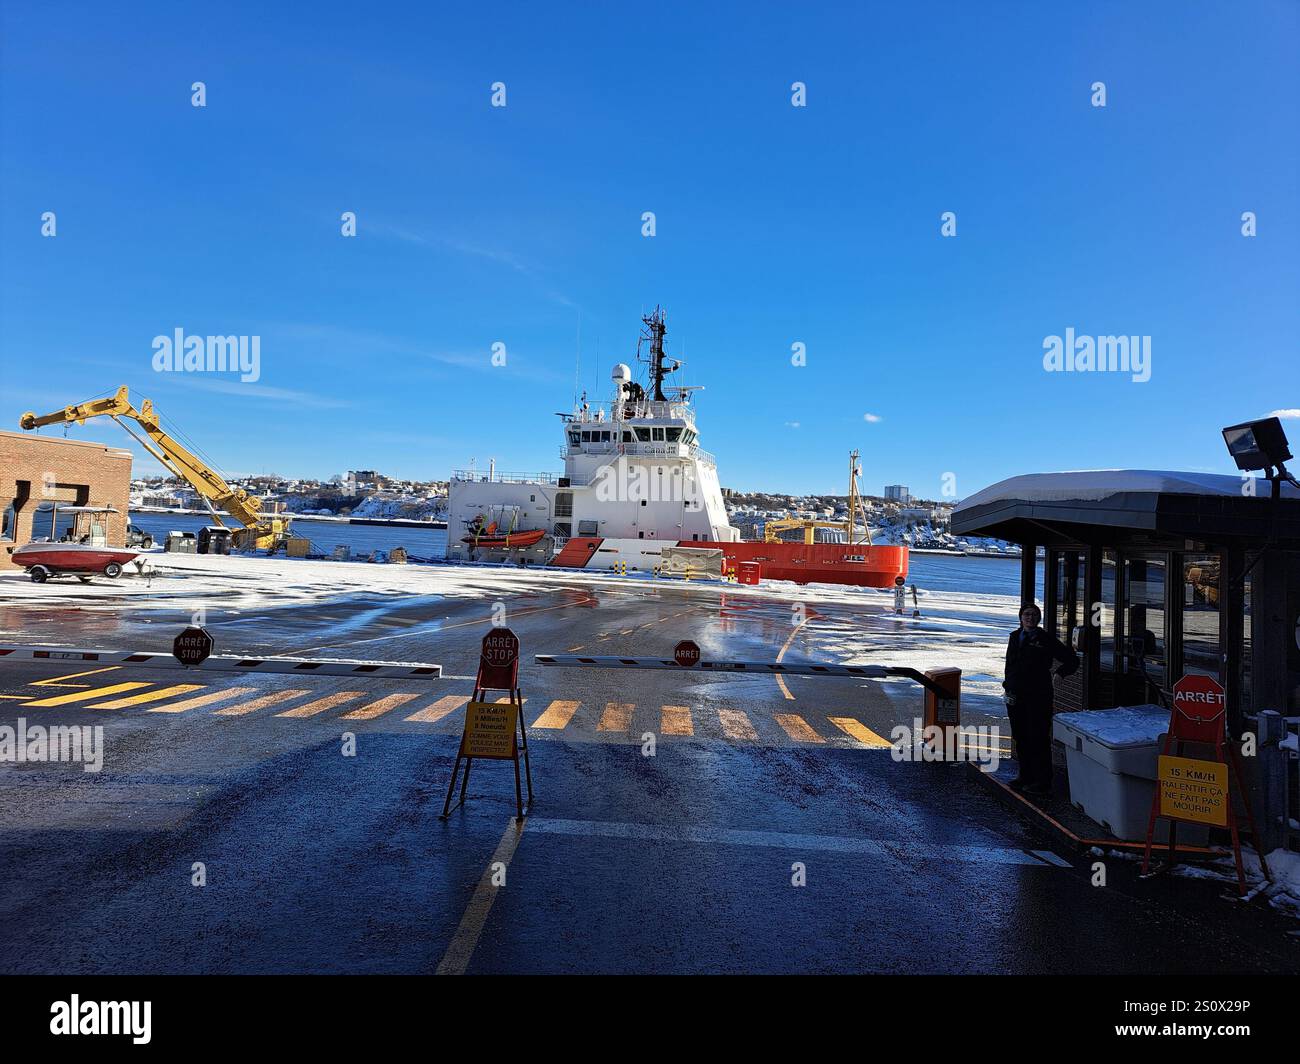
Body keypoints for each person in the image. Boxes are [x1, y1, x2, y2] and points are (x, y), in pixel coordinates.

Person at [1002, 603, 1077, 795]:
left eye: (1034, 615)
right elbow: (1010, 665)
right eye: (1027, 614)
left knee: (1038, 737)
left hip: (1038, 696)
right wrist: (1007, 687)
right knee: (1021, 737)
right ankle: (1025, 776)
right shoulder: (1014, 636)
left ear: (1039, 618)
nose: (1030, 618)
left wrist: (1060, 674)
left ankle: (1042, 781)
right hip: (1015, 695)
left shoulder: (1045, 639)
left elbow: (1071, 659)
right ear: (1020, 617)